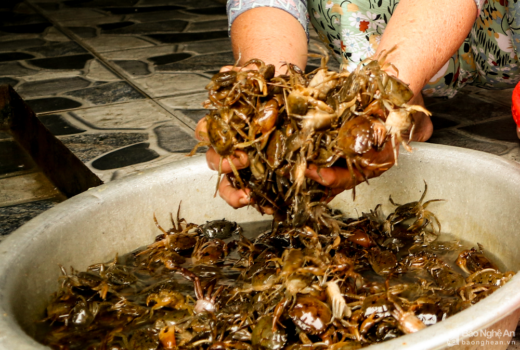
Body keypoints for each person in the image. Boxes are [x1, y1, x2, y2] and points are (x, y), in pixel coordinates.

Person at [195, 0, 520, 211]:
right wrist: (261, 88)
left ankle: (398, 90)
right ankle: (407, 101)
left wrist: (386, 86)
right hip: (376, 42)